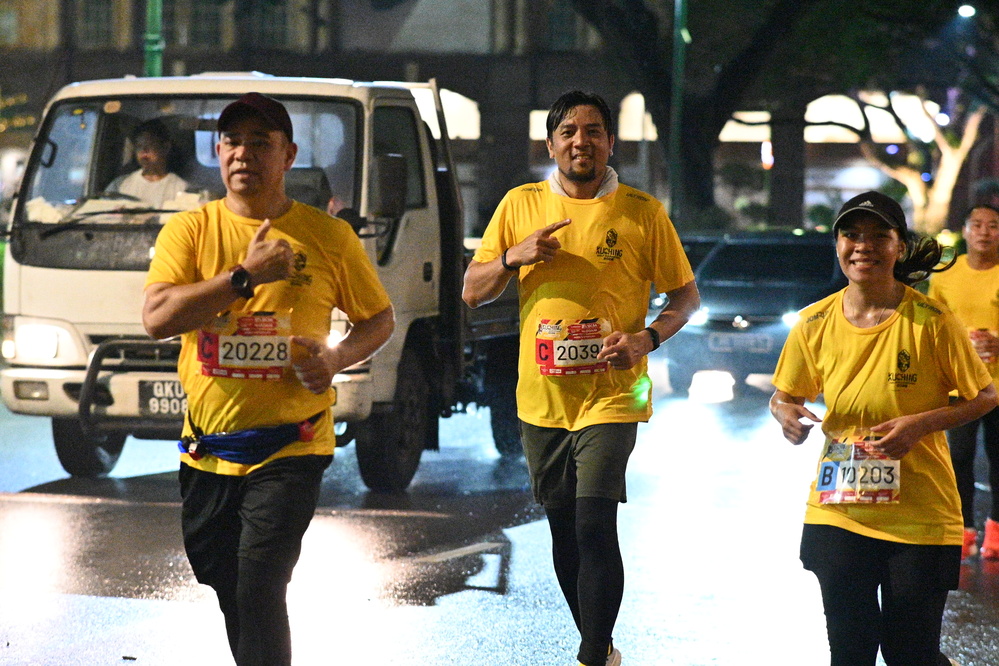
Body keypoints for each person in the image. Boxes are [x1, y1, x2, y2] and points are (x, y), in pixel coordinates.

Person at [142, 92, 394, 665]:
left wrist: (335, 360)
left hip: (291, 445)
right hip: (208, 449)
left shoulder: (327, 236)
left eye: (261, 142)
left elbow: (379, 319)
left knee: (260, 581)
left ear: (289, 156)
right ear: (217, 151)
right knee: (227, 582)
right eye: (232, 141)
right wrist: (243, 277)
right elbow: (157, 319)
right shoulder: (190, 230)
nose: (243, 154)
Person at [462, 90, 699, 666]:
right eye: (568, 131)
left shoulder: (642, 212)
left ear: (610, 143)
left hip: (614, 394)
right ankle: (602, 643)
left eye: (593, 131)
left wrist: (646, 338)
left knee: (594, 522)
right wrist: (512, 257)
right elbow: (472, 291)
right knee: (564, 529)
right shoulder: (520, 204)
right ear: (551, 144)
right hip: (541, 397)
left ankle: (592, 654)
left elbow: (686, 298)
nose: (580, 142)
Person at [770, 191, 997, 666]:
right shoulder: (813, 321)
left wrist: (920, 424)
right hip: (838, 507)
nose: (863, 246)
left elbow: (985, 395)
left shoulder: (932, 321)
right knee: (849, 651)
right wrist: (785, 413)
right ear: (838, 244)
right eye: (851, 235)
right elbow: (785, 395)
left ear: (900, 246)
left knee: (909, 654)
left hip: (920, 513)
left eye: (879, 236)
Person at [928, 204, 999, 560]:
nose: (985, 232)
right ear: (966, 231)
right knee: (958, 459)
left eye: (993, 226)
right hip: (959, 385)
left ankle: (995, 531)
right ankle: (963, 531)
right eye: (978, 225)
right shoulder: (945, 276)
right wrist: (959, 344)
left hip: (998, 386)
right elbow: (931, 327)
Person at [107, 118, 190, 207]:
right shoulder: (120, 185)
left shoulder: (181, 188)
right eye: (139, 146)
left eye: (149, 145)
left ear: (165, 148)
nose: (143, 151)